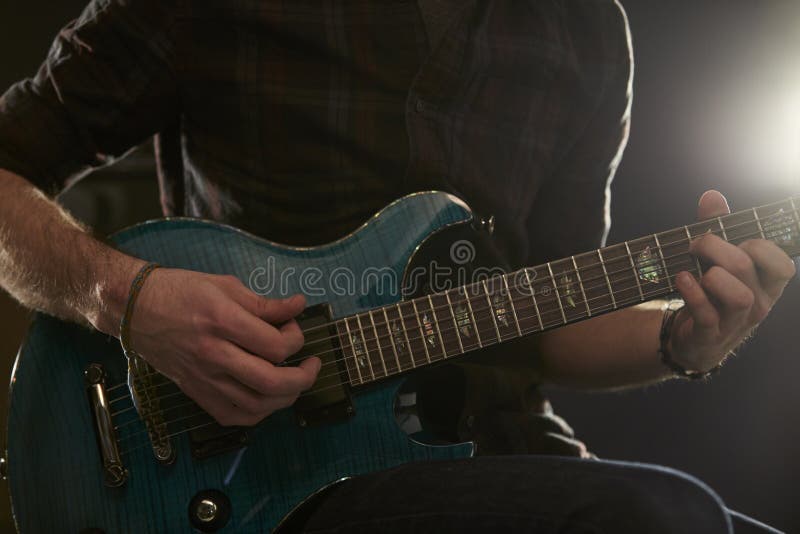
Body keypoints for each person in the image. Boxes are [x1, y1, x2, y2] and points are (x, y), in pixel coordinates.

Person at [0, 0, 793, 531]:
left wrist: (682, 341)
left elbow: (551, 312)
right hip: (275, 469)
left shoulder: (583, 27)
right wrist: (130, 301)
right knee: (661, 515)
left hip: (502, 451)